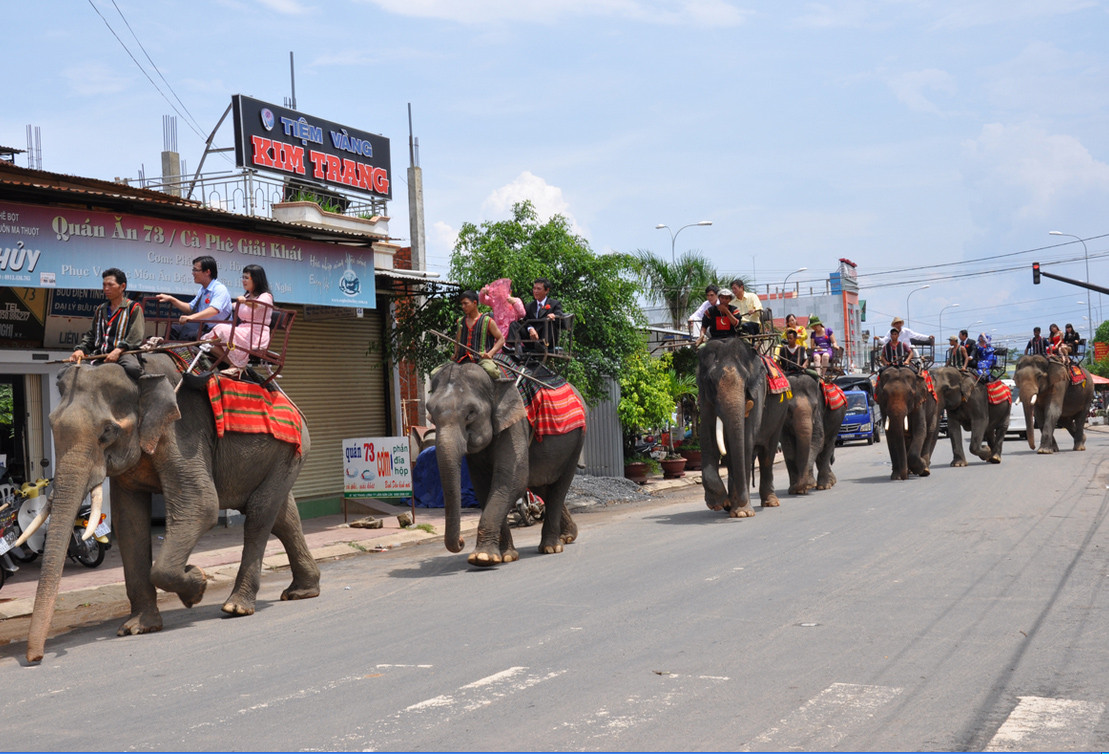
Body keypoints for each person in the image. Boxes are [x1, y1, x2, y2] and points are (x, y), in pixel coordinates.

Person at [68, 267, 145, 380]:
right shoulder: (100, 309)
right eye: (104, 285)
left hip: (123, 355)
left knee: (133, 368)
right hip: (99, 354)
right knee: (66, 370)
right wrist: (81, 350)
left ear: (122, 286)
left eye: (110, 285)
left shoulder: (133, 308)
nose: (106, 288)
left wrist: (118, 350)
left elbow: (136, 336)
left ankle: (146, 392)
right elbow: (91, 335)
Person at [202, 264, 274, 375]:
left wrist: (245, 302)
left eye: (247, 278)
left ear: (256, 279)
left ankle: (238, 365)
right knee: (208, 342)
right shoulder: (246, 297)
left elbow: (257, 305)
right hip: (243, 331)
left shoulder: (266, 296)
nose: (243, 280)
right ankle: (235, 365)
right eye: (242, 277)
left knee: (221, 328)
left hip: (255, 335)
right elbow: (230, 306)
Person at [155, 255, 233, 340]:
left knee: (189, 335)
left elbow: (214, 310)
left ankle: (181, 352)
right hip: (203, 327)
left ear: (207, 272)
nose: (193, 273)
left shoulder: (220, 289)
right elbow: (190, 308)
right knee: (173, 328)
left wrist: (191, 317)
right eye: (193, 270)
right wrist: (172, 299)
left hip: (216, 330)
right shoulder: (203, 290)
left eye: (196, 270)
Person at [453, 290, 505, 380]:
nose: (463, 307)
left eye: (466, 304)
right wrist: (455, 353)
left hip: (481, 360)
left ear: (474, 303)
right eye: (462, 304)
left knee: (493, 372)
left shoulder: (487, 321)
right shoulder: (460, 321)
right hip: (462, 359)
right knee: (436, 372)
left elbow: (501, 339)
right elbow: (457, 340)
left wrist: (490, 353)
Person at [515, 277, 564, 354]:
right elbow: (525, 320)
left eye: (539, 289)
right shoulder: (529, 306)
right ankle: (514, 347)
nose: (535, 291)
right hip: (531, 339)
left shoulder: (554, 304)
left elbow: (559, 315)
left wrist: (554, 315)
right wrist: (530, 329)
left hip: (546, 339)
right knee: (514, 324)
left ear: (546, 290)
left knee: (548, 321)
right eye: (534, 289)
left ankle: (542, 346)